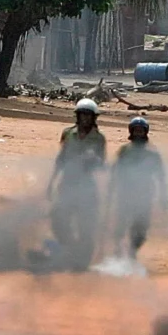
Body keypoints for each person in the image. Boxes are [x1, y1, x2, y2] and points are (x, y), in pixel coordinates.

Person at [48, 98, 107, 270]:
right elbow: (61, 158)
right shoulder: (67, 133)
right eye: (83, 115)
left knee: (85, 225)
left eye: (89, 116)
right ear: (78, 116)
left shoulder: (98, 139)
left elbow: (101, 163)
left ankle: (82, 262)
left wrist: (93, 159)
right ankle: (70, 250)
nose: (85, 119)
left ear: (94, 118)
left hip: (86, 186)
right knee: (58, 219)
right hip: (67, 182)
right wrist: (51, 182)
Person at [107, 117, 168, 261]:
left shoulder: (152, 153)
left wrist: (164, 196)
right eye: (136, 131)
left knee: (141, 229)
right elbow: (115, 171)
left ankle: (132, 251)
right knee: (120, 225)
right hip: (125, 193)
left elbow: (160, 176)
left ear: (146, 132)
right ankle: (117, 251)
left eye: (141, 131)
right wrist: (110, 190)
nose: (138, 134)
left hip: (144, 195)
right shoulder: (124, 151)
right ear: (131, 132)